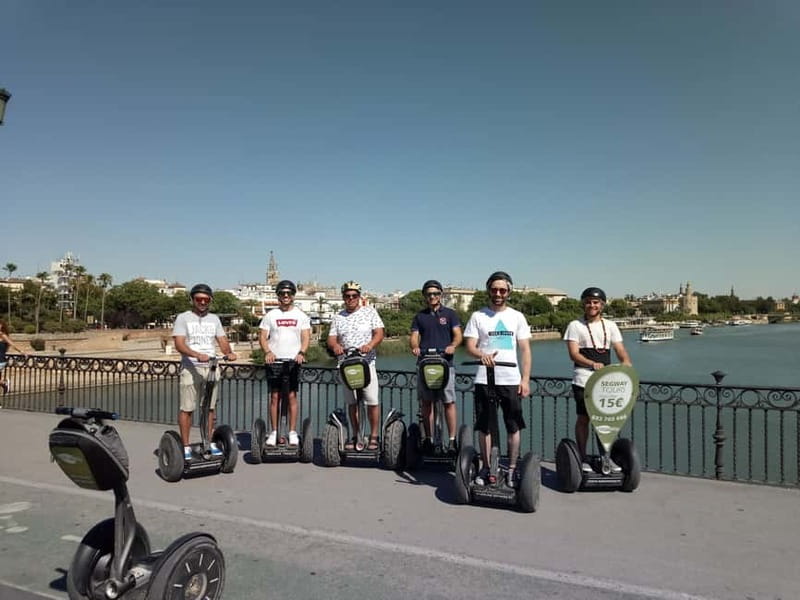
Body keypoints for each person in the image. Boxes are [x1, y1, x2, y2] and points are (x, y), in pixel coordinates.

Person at [463, 271, 531, 487]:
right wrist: (480, 355)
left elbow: (525, 350)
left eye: (502, 290)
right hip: (485, 379)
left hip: (510, 378)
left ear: (509, 292)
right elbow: (470, 346)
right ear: (488, 291)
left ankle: (511, 469)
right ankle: (486, 467)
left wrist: (526, 379)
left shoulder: (517, 316)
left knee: (513, 426)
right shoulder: (478, 316)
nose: (498, 293)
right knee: (485, 426)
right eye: (494, 289)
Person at [563, 286, 632, 473]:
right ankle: (583, 457)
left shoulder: (610, 326)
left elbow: (619, 349)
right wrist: (592, 364)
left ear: (602, 305)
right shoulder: (575, 326)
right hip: (583, 380)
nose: (591, 305)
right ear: (583, 304)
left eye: (595, 302)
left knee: (605, 421)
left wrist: (626, 362)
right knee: (584, 419)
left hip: (605, 382)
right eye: (588, 302)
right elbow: (574, 354)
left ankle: (606, 458)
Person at [172, 283, 237, 460]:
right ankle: (185, 447)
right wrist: (195, 354)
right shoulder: (183, 318)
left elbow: (222, 340)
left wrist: (228, 353)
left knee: (209, 408)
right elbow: (179, 344)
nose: (202, 302)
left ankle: (207, 442)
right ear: (192, 300)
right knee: (187, 408)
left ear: (210, 301)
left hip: (211, 368)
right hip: (191, 368)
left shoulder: (214, 319)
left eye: (206, 299)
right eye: (198, 299)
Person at [327, 281, 385, 450]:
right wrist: (335, 346)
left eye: (354, 296)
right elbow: (331, 338)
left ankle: (374, 436)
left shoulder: (370, 312)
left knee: (372, 401)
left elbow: (379, 332)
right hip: (346, 365)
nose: (351, 299)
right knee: (352, 402)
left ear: (359, 297)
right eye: (347, 296)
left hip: (366, 363)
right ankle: (356, 434)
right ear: (343, 297)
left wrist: (370, 345)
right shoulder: (338, 317)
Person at [409, 279, 463, 453]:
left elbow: (457, 335)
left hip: (445, 363)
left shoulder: (450, 314)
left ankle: (452, 440)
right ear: (425, 296)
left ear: (441, 295)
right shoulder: (420, 316)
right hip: (425, 363)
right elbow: (414, 336)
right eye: (429, 294)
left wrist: (452, 346)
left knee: (449, 402)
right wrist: (415, 347)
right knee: (426, 402)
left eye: (436, 293)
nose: (432, 296)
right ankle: (429, 438)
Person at [259, 280, 311, 446]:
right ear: (278, 296)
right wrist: (267, 351)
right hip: (275, 361)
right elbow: (262, 336)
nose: (285, 296)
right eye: (282, 293)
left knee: (291, 396)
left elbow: (306, 336)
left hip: (293, 361)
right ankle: (274, 432)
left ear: (293, 295)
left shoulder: (301, 315)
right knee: (275, 397)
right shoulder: (271, 315)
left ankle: (292, 431)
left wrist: (302, 352)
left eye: (288, 293)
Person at [0, 320, 26, 394]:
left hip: (1, 360)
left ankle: (5, 383)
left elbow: (12, 344)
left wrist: (21, 351)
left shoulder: (3, 335)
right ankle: (4, 384)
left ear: (2, 326)